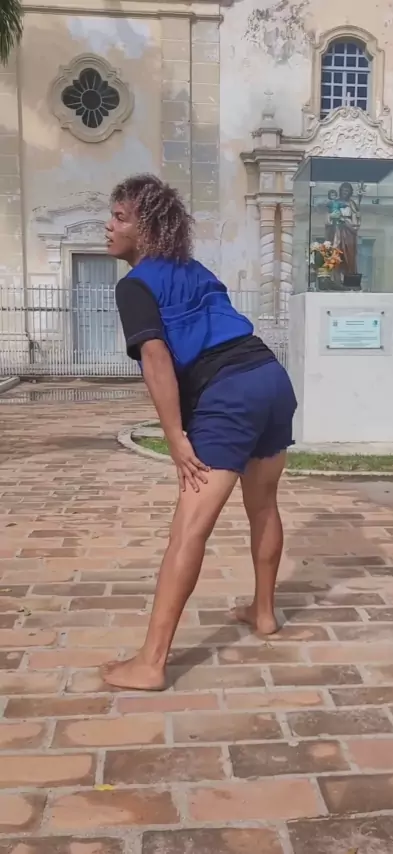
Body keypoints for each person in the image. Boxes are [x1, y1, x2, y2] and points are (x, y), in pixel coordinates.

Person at [102, 173, 297, 691]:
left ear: (147, 228)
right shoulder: (196, 270)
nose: (109, 227)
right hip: (270, 378)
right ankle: (263, 613)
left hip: (229, 394)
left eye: (120, 218)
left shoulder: (135, 285)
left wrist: (175, 437)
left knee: (188, 531)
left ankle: (151, 664)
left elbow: (156, 357)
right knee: (263, 506)